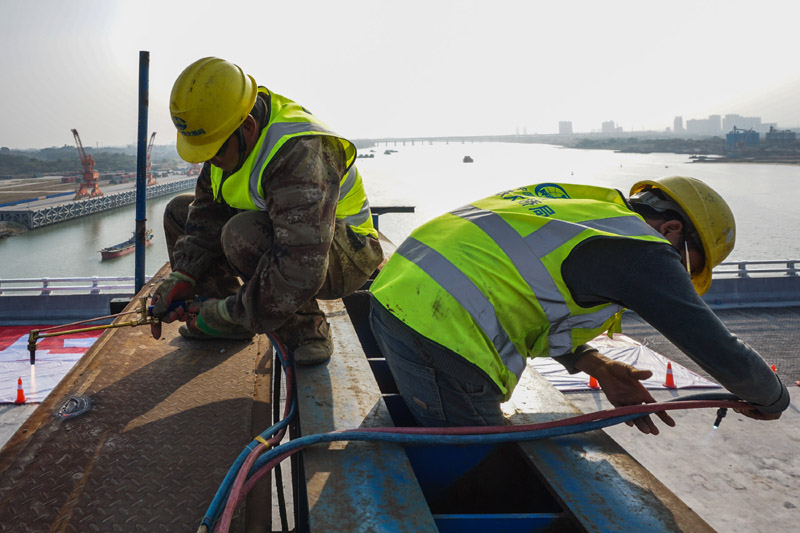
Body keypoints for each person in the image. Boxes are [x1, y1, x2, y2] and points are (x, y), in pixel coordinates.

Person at [368, 177, 789, 432]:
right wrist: (772, 399)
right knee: (482, 460)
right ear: (673, 229)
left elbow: (526, 294)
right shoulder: (643, 249)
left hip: (398, 296)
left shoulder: (586, 213)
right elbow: (716, 347)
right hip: (441, 333)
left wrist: (598, 364)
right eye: (687, 266)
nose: (678, 276)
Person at [150, 57, 383, 365]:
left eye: (214, 150)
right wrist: (183, 274)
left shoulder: (300, 152)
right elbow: (205, 216)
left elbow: (303, 268)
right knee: (180, 210)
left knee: (242, 233)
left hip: (343, 254)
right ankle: (223, 320)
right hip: (298, 241)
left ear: (246, 126)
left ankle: (306, 331)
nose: (210, 160)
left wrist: (226, 314)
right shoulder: (227, 134)